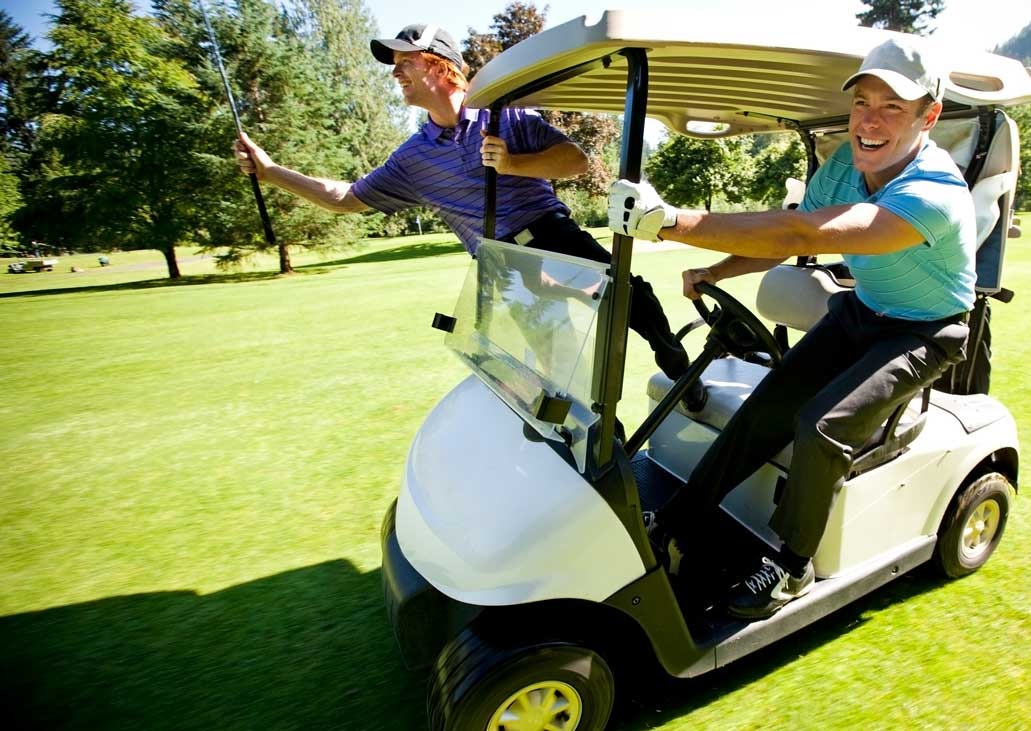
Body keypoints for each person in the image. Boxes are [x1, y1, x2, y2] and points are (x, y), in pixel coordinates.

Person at [608, 37, 976, 619]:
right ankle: (677, 520)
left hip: (926, 330)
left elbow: (805, 236)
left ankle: (792, 566)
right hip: (863, 310)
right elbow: (790, 231)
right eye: (863, 103)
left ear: (928, 117)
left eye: (893, 107)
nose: (870, 121)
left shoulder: (933, 193)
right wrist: (716, 271)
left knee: (821, 426)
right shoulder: (844, 166)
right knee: (767, 406)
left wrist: (670, 222)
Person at [233, 22, 704, 410]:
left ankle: (680, 371)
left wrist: (513, 163)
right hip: (505, 268)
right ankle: (603, 455)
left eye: (405, 61)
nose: (396, 72)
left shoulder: (507, 116)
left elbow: (574, 161)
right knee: (559, 371)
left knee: (634, 299)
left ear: (442, 66)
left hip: (553, 236)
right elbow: (346, 198)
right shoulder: (413, 159)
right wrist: (272, 173)